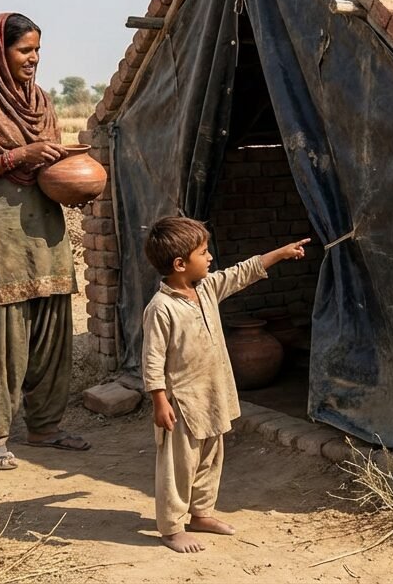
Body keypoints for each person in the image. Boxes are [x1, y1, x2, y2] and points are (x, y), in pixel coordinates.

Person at [0, 13, 89, 471]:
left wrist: (70, 176)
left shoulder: (40, 100)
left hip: (44, 226)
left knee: (51, 329)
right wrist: (16, 156)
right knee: (2, 338)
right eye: (25, 50)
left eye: (37, 50)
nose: (34, 59)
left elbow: (51, 164)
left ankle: (45, 427)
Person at [141, 215, 309, 553]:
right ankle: (171, 528)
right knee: (179, 465)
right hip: (182, 403)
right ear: (180, 263)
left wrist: (279, 253)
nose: (210, 258)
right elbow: (152, 359)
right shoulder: (160, 309)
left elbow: (241, 274)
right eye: (203, 252)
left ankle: (201, 513)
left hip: (213, 393)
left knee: (210, 457)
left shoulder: (205, 288)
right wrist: (160, 401)